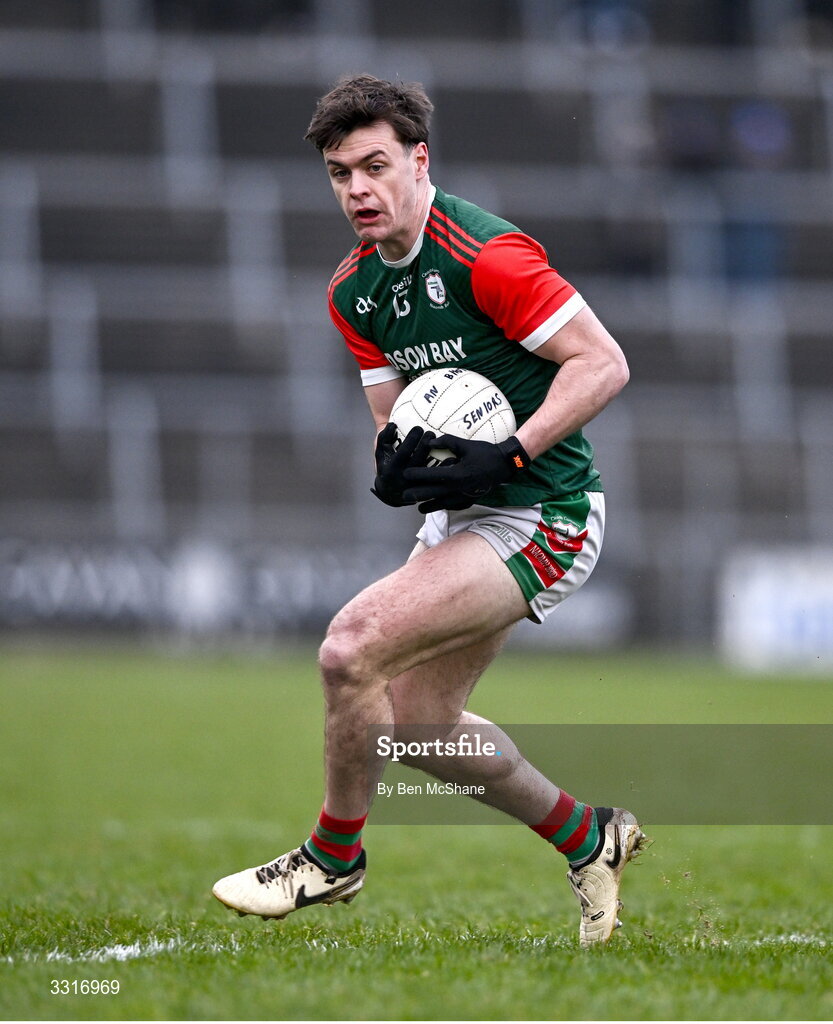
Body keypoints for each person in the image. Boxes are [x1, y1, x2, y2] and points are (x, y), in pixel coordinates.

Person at [212, 74, 646, 947]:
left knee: (347, 650)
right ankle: (587, 835)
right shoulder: (354, 291)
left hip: (548, 509)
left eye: (374, 166)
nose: (358, 190)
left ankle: (332, 858)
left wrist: (511, 451)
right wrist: (401, 470)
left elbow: (601, 364)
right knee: (418, 728)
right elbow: (396, 422)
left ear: (418, 160)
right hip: (467, 520)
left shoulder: (488, 255)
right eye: (340, 175)